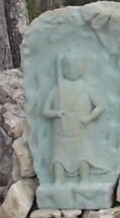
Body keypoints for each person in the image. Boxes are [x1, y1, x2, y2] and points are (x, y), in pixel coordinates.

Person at [42, 54, 107, 183]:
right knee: (59, 158)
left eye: (75, 67)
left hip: (80, 131)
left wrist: (88, 118)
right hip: (61, 133)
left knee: (83, 157)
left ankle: (84, 179)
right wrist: (56, 113)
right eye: (68, 67)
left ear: (82, 68)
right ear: (64, 69)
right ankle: (58, 180)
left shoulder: (86, 88)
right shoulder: (57, 90)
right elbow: (45, 111)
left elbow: (100, 106)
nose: (72, 70)